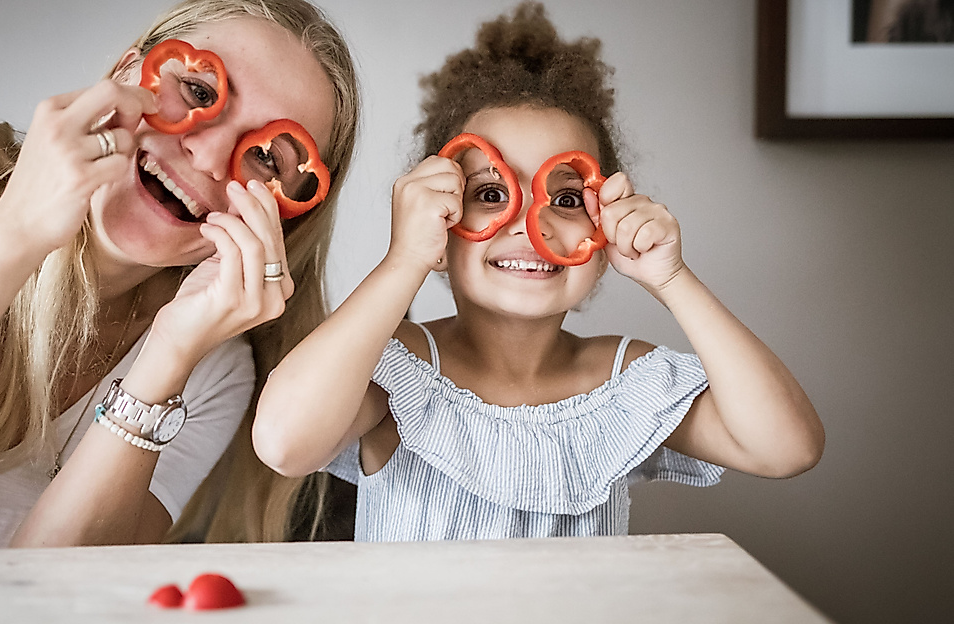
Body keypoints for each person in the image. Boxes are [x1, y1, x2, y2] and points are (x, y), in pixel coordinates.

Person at [252, 2, 824, 542]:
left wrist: (672, 279)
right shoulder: (398, 370)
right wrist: (401, 260)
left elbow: (787, 448)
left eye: (569, 200)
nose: (531, 224)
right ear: (442, 220)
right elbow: (284, 443)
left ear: (607, 229)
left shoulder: (622, 384)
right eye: (493, 192)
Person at [0, 0, 359, 550]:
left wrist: (168, 355)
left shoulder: (209, 371)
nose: (208, 156)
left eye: (267, 160)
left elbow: (50, 595)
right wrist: (18, 229)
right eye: (200, 92)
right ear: (124, 75)